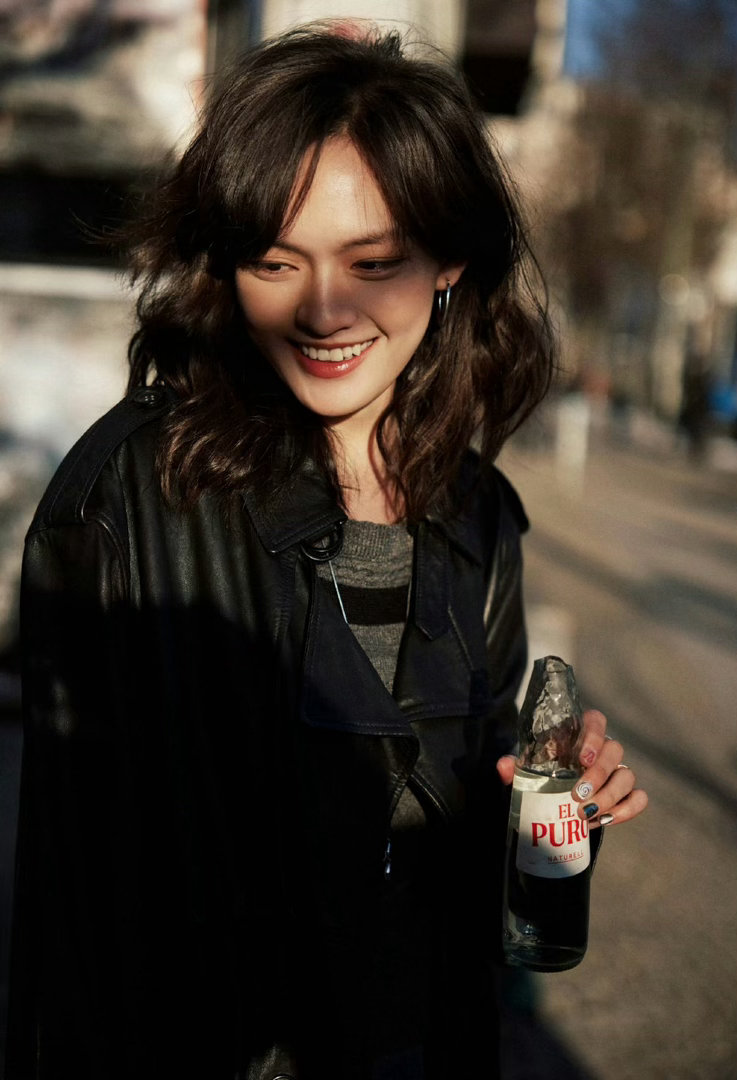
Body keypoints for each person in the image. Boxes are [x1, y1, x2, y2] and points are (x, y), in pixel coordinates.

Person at [6, 23, 648, 1080]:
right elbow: (79, 926)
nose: (322, 309)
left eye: (373, 262)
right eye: (275, 260)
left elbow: (466, 874)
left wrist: (556, 813)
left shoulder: (480, 513)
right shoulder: (131, 496)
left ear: (448, 261)